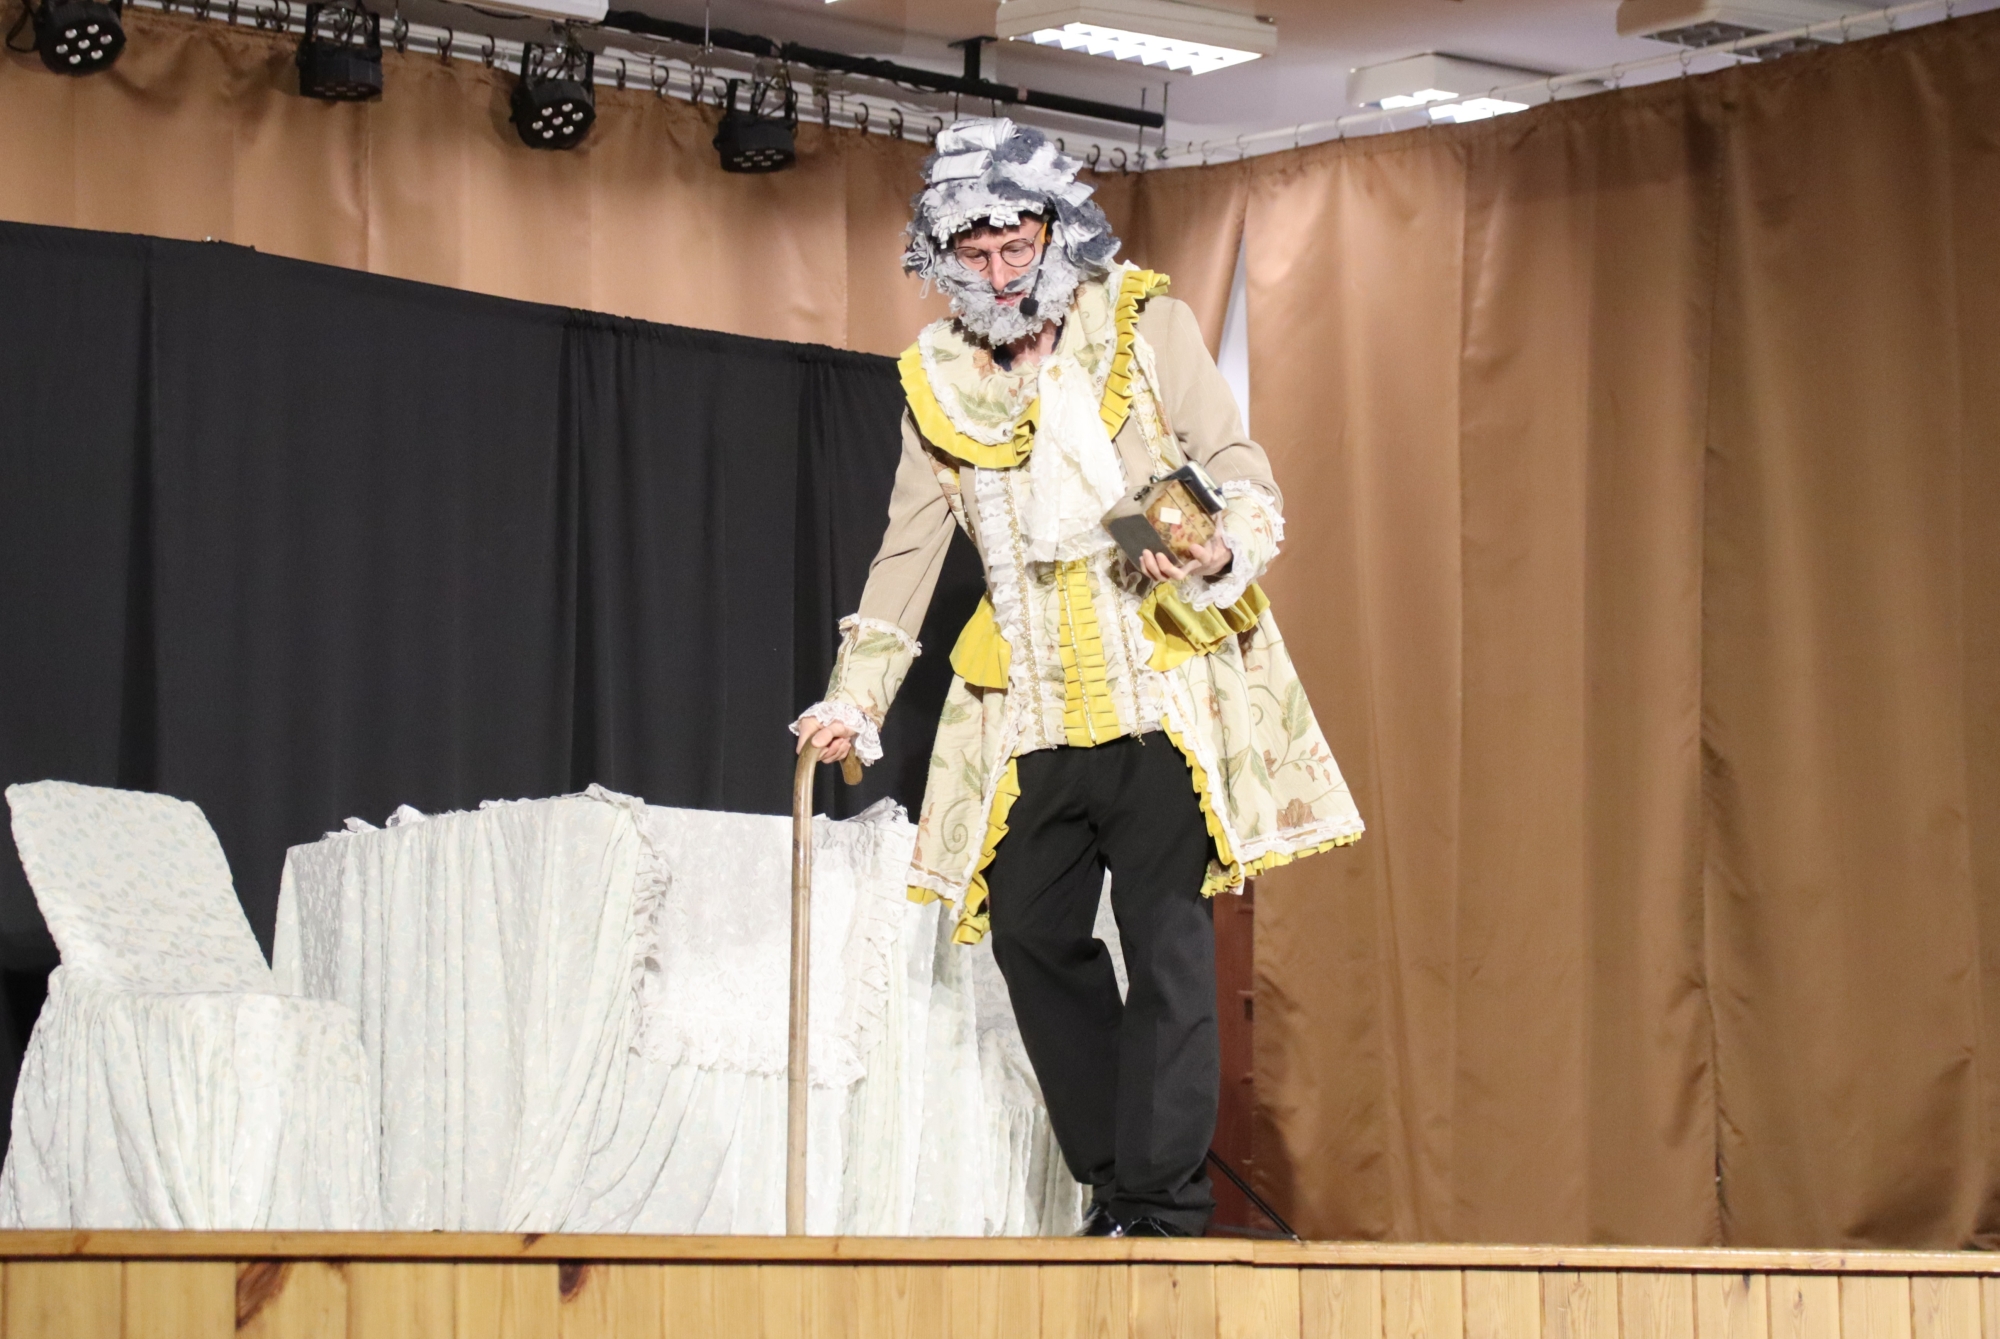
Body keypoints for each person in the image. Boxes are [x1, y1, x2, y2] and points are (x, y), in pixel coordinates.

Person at [794, 118, 1362, 1239]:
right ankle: (1114, 1174)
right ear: (944, 256)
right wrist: (853, 696)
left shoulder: (1143, 323)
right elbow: (908, 551)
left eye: (1017, 247)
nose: (1002, 273)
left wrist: (1215, 542)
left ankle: (1161, 1206)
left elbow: (1235, 465)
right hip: (1032, 710)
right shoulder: (938, 379)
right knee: (1028, 933)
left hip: (1155, 691)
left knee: (1165, 943)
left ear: (1055, 231)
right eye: (977, 254)